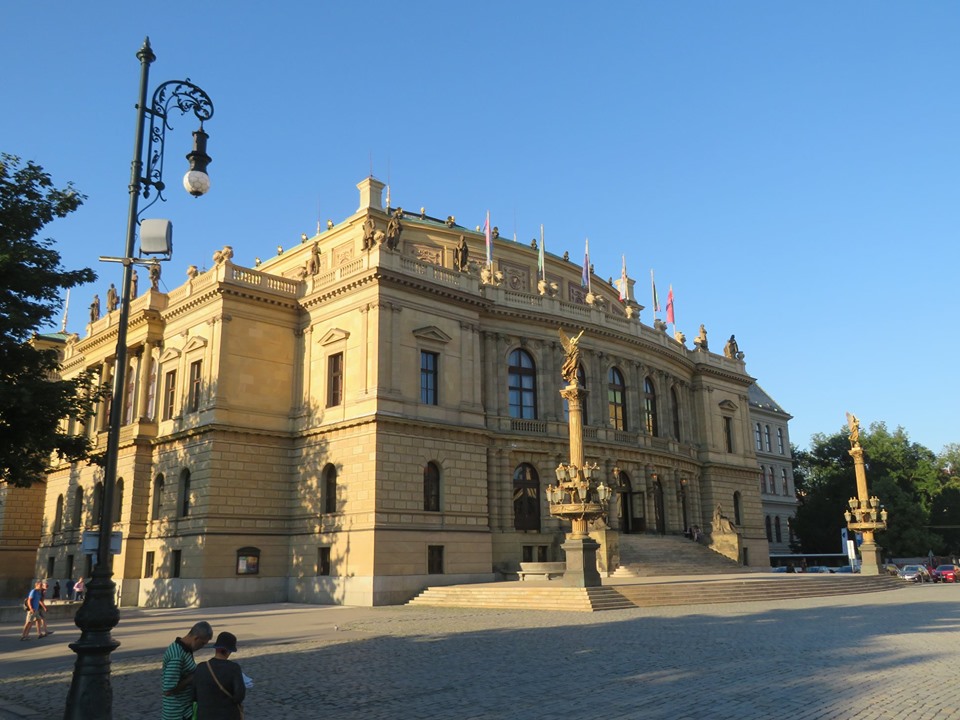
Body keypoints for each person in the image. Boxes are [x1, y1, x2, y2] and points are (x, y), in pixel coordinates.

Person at [163, 621, 214, 720]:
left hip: (186, 711)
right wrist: (193, 677)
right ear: (196, 638)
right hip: (176, 714)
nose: (202, 647)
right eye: (202, 643)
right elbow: (168, 690)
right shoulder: (177, 655)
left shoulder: (185, 649)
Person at [193, 631, 246, 720]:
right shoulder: (233, 668)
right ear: (229, 651)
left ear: (216, 648)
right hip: (228, 715)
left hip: (204, 716)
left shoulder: (201, 667)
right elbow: (239, 696)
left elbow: (194, 695)